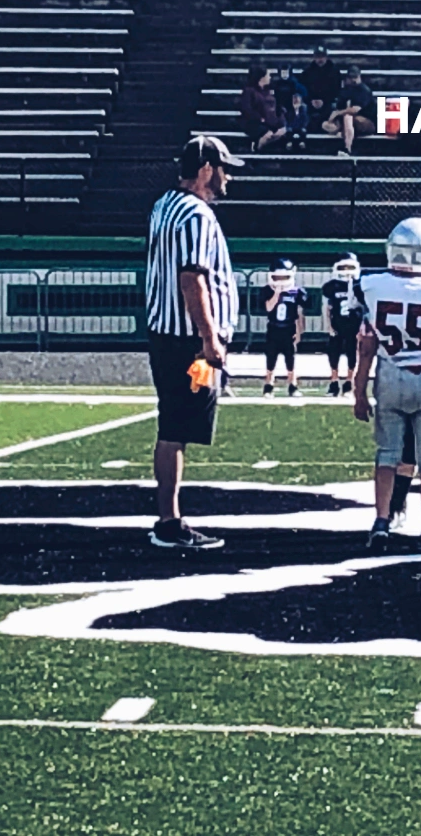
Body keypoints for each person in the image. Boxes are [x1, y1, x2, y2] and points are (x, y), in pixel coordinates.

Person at [141, 135, 238, 550]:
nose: (227, 177)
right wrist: (210, 338)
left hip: (164, 331)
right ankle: (170, 521)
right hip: (187, 341)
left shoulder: (164, 205)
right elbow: (192, 277)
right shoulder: (196, 214)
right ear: (205, 169)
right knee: (177, 427)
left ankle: (168, 517)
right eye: (223, 168)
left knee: (172, 425)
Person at [350, 218, 421, 553]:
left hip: (389, 374)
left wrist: (358, 391)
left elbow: (366, 346)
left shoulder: (370, 285)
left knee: (387, 454)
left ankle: (382, 522)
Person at [258, 258, 306, 396]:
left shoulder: (297, 292)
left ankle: (293, 386)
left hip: (289, 328)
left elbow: (299, 313)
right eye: (277, 277)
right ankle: (268, 386)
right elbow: (268, 307)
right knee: (271, 358)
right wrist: (277, 293)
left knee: (290, 359)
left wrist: (299, 331)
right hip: (274, 328)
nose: (280, 280)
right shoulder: (267, 290)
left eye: (284, 277)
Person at [320, 252, 364, 399]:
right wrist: (328, 326)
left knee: (352, 353)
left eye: (349, 266)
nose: (346, 270)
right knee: (334, 353)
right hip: (337, 324)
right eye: (343, 267)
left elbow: (365, 308)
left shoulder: (360, 285)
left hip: (354, 325)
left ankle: (348, 384)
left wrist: (363, 327)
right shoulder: (332, 286)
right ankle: (334, 382)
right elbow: (328, 307)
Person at [322, 66, 376, 155]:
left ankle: (347, 148)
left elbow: (355, 110)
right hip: (350, 123)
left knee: (348, 117)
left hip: (367, 121)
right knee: (326, 124)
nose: (353, 80)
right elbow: (339, 106)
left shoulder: (364, 90)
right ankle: (342, 131)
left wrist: (337, 113)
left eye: (355, 77)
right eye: (351, 77)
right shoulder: (345, 91)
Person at [236, 67, 287, 153]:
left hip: (270, 121)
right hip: (254, 122)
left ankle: (264, 145)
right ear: (261, 77)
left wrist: (279, 120)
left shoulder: (268, 91)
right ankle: (257, 146)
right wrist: (260, 118)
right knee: (268, 133)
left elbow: (275, 108)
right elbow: (246, 109)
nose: (270, 77)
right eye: (268, 75)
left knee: (282, 131)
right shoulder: (249, 91)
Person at [294, 46, 341, 111]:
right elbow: (302, 89)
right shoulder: (307, 72)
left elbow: (337, 89)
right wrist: (311, 100)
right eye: (318, 57)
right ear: (314, 57)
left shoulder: (334, 72)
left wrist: (325, 101)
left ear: (326, 57)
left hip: (329, 104)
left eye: (322, 57)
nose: (320, 59)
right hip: (310, 104)